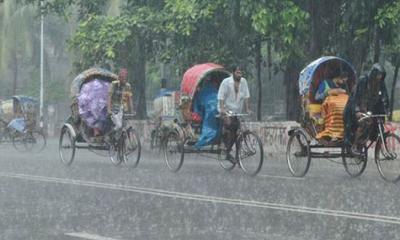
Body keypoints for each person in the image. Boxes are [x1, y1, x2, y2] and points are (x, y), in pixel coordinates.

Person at [343, 63, 389, 154]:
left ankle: (372, 143)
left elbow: (384, 98)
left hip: (370, 109)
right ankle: (355, 145)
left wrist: (387, 110)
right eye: (378, 74)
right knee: (364, 123)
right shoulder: (363, 80)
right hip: (355, 108)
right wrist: (357, 111)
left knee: (378, 123)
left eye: (381, 75)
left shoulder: (381, 84)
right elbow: (356, 97)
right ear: (374, 73)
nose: (379, 77)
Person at [217, 65, 251, 159]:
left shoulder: (244, 82)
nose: (239, 75)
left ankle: (236, 155)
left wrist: (248, 108)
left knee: (238, 132)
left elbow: (247, 96)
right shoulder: (226, 82)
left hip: (237, 111)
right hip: (225, 108)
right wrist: (223, 109)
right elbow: (221, 97)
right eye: (237, 72)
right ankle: (224, 144)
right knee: (230, 124)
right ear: (233, 73)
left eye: (241, 73)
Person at [314, 71, 350, 141]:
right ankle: (332, 132)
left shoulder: (342, 86)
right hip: (328, 109)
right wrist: (328, 93)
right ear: (338, 77)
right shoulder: (325, 83)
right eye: (343, 80)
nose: (343, 82)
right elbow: (317, 97)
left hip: (341, 108)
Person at [106, 68, 134, 135]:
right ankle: (110, 135)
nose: (124, 79)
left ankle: (121, 143)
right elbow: (109, 97)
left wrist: (132, 110)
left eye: (125, 78)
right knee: (118, 126)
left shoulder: (128, 86)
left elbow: (129, 98)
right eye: (122, 77)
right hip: (114, 108)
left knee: (124, 126)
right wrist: (109, 109)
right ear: (119, 77)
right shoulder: (114, 84)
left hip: (123, 108)